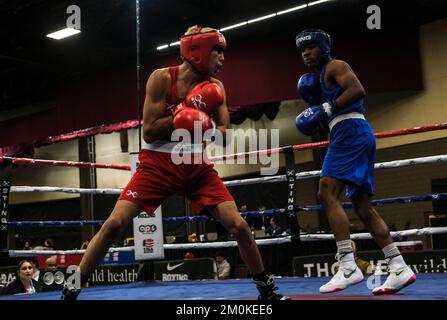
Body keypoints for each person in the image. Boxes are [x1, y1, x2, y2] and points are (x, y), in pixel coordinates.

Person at [61, 26, 289, 300]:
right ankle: (72, 287)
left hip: (196, 164)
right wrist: (184, 112)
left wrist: (204, 126)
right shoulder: (161, 79)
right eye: (218, 51)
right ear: (199, 51)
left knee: (239, 225)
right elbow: (149, 130)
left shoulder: (216, 88)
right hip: (158, 162)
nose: (223, 59)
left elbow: (225, 135)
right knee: (114, 224)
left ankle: (266, 289)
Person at [295, 29, 416, 294]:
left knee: (327, 192)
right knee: (362, 206)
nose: (306, 53)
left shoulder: (336, 66)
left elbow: (358, 90)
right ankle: (398, 266)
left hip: (351, 132)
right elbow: (334, 114)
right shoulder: (319, 82)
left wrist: (326, 108)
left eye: (311, 47)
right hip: (351, 132)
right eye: (302, 49)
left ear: (324, 47)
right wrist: (321, 113)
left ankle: (348, 267)